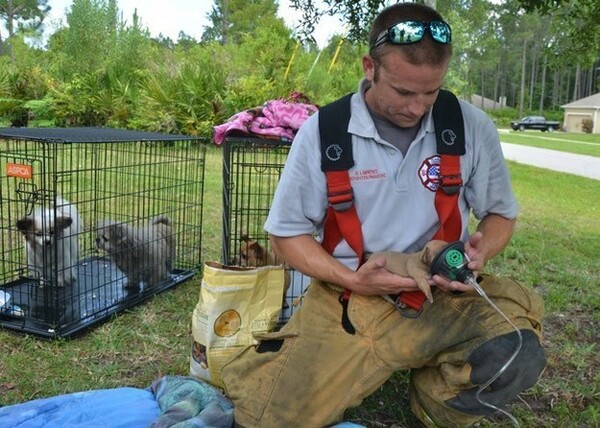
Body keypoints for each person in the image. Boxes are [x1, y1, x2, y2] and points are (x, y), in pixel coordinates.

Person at [222, 3, 546, 427]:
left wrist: (483, 249)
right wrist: (353, 279)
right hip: (348, 301)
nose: (417, 108)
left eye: (430, 92)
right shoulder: (323, 132)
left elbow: (500, 215)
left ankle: (433, 406)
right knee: (265, 420)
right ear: (370, 67)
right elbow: (287, 237)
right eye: (404, 92)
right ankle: (278, 365)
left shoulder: (469, 126)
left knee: (515, 353)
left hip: (440, 297)